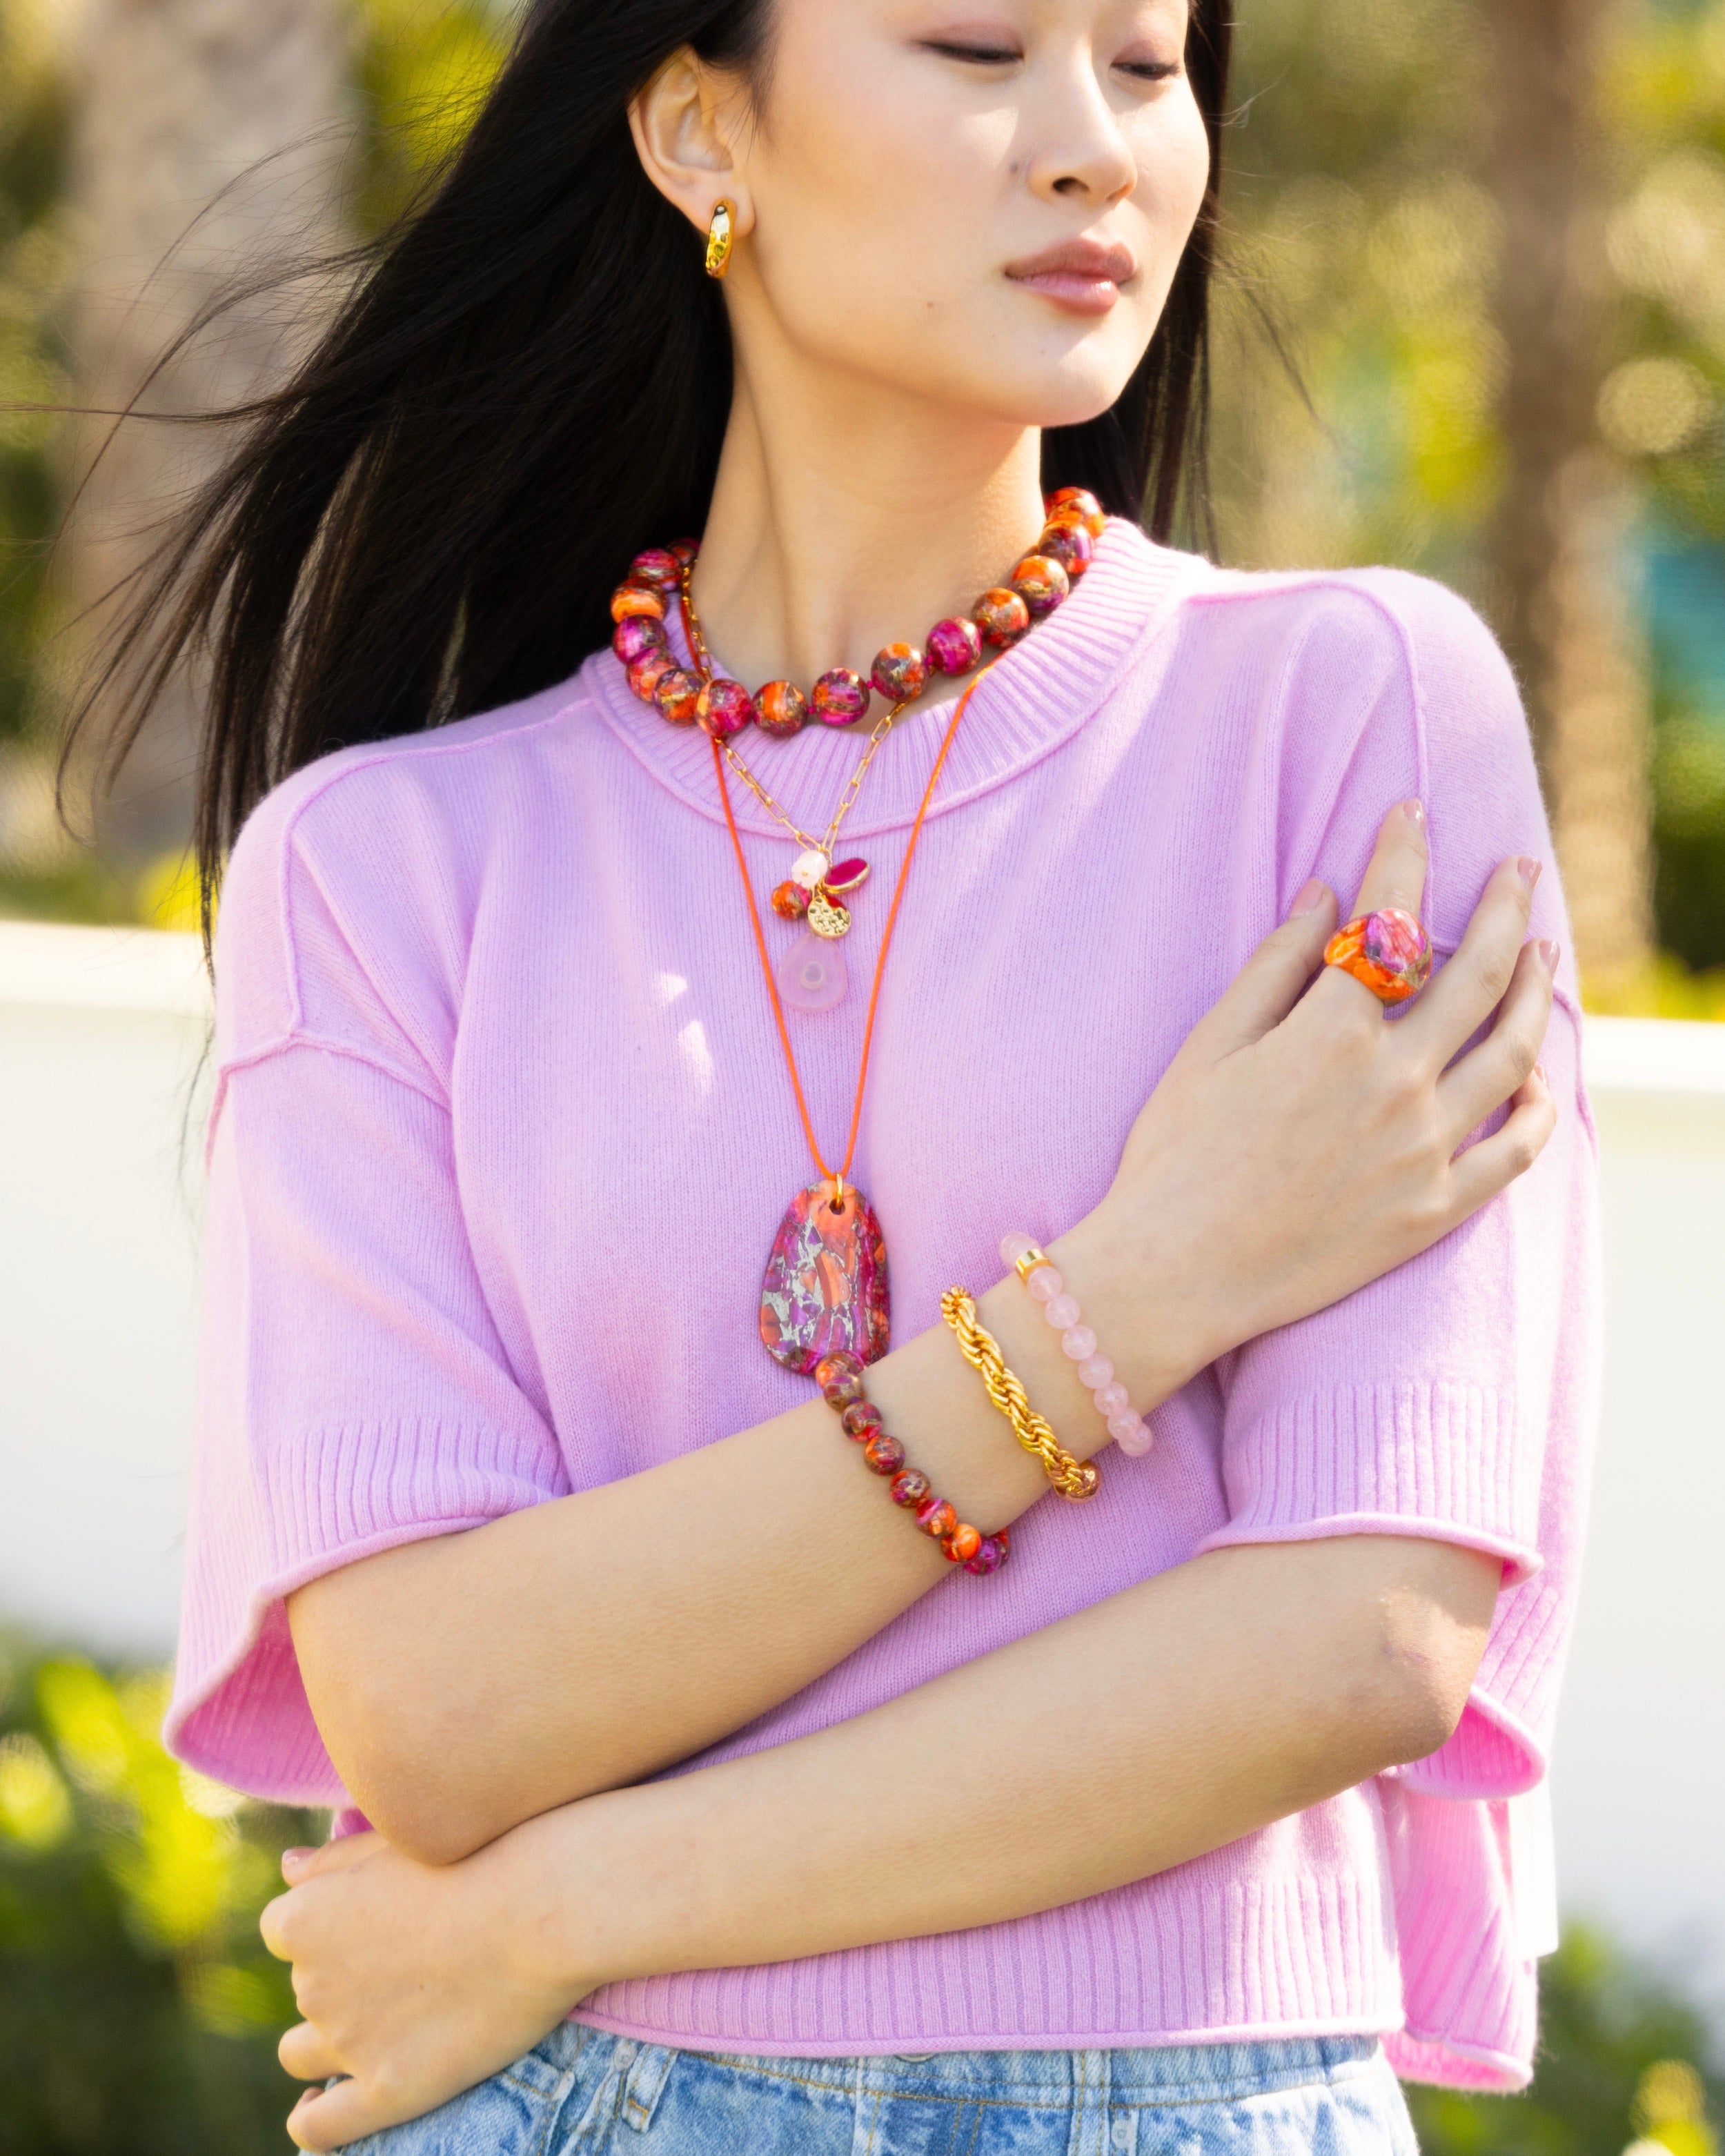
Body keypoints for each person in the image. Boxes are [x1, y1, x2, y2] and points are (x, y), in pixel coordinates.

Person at [101, 0, 1595, 2148]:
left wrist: (575, 1897)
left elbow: (1358, 1639)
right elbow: (436, 1714)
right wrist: (1129, 1301)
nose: (1093, 144)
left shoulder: (1340, 717)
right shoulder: (378, 869)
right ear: (703, 127)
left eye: (1151, 61)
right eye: (978, 45)